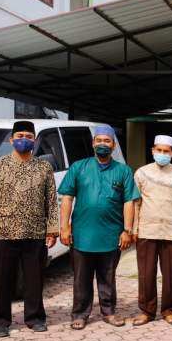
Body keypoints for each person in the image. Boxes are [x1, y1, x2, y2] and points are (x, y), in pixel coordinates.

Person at [0, 121, 59, 338]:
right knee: (1, 279)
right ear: (11, 139)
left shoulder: (44, 167)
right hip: (4, 231)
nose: (24, 139)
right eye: (19, 135)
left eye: (28, 135)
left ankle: (35, 318)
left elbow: (51, 201)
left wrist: (52, 230)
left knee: (34, 278)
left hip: (35, 231)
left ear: (34, 140)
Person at [58, 125, 140, 330]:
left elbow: (129, 201)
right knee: (81, 278)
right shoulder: (79, 167)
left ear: (113, 145)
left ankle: (109, 311)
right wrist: (64, 227)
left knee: (107, 277)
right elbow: (67, 197)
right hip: (82, 234)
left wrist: (127, 230)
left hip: (111, 235)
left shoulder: (123, 170)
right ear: (93, 143)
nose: (103, 144)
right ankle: (79, 314)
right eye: (99, 140)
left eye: (107, 141)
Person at [132, 135, 172, 327]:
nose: (162, 154)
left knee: (170, 273)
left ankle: (169, 309)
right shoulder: (141, 173)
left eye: (166, 151)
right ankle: (147, 311)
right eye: (159, 150)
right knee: (146, 273)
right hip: (146, 230)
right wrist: (133, 229)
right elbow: (136, 203)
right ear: (152, 150)